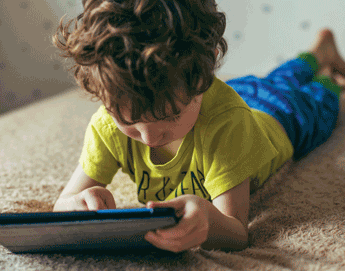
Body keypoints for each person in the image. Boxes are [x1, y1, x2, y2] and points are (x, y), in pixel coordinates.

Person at [52, 0, 345, 253]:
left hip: (281, 116)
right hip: (240, 92)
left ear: (204, 78)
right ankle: (319, 50)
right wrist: (77, 205)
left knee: (316, 100)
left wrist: (210, 221)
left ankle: (330, 75)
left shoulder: (228, 123)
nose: (150, 137)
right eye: (128, 121)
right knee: (270, 80)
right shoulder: (106, 124)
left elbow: (237, 232)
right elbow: (63, 203)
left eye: (169, 117)